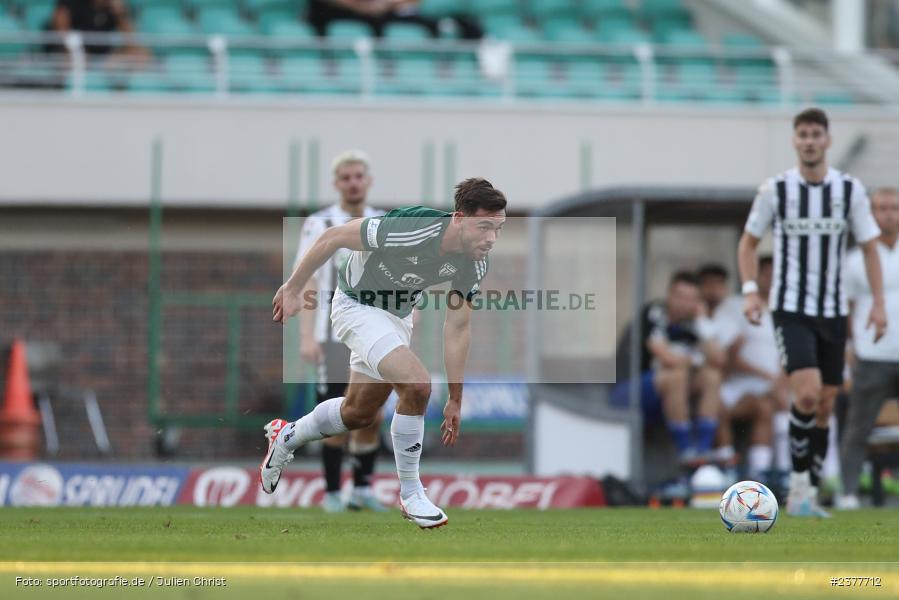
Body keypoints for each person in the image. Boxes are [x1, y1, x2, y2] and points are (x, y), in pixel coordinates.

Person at [264, 177, 507, 529]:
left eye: (498, 229)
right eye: (484, 227)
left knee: (358, 413)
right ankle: (411, 493)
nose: (491, 238)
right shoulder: (412, 228)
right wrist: (293, 287)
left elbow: (457, 328)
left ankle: (286, 437)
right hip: (356, 305)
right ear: (458, 218)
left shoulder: (476, 262)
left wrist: (456, 398)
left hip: (397, 318)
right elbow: (333, 237)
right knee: (417, 385)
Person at [738, 107, 887, 517]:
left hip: (833, 311)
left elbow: (870, 248)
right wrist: (750, 292)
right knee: (805, 394)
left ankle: (808, 490)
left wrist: (878, 303)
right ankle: (799, 489)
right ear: (794, 141)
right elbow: (748, 243)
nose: (809, 141)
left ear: (827, 140)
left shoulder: (849, 190)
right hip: (790, 308)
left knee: (824, 404)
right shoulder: (775, 190)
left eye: (815, 134)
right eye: (802, 134)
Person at [295, 150, 388, 513]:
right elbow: (308, 279)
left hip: (374, 335)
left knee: (371, 413)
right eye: (346, 178)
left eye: (358, 176)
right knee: (335, 413)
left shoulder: (383, 222)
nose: (353, 183)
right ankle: (333, 492)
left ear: (369, 180)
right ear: (336, 184)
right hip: (332, 335)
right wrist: (306, 335)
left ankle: (362, 489)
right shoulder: (319, 223)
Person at [613, 271, 726, 465]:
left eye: (690, 299)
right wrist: (698, 359)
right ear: (669, 295)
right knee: (676, 375)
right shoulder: (654, 313)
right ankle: (685, 451)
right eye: (679, 296)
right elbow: (666, 358)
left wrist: (702, 321)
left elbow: (718, 360)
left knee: (711, 377)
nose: (683, 303)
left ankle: (702, 449)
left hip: (672, 396)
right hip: (629, 392)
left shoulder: (694, 323)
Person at [838, 187, 899, 510]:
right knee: (858, 427)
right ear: (871, 213)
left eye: (894, 208)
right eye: (882, 208)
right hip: (871, 355)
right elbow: (846, 310)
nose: (888, 214)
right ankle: (848, 493)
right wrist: (850, 350)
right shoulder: (854, 259)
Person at [714, 257, 790, 481]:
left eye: (775, 275)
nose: (770, 280)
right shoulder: (734, 305)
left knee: (772, 408)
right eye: (765, 274)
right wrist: (767, 376)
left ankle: (763, 475)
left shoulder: (783, 312)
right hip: (734, 383)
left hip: (769, 387)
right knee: (716, 407)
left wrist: (779, 381)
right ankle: (726, 469)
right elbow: (728, 355)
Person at [48, 0, 146, 60]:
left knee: (141, 55)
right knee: (66, 60)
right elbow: (61, 30)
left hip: (104, 56)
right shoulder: (71, 3)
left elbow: (131, 41)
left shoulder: (115, 5)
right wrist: (77, 52)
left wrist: (120, 14)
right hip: (72, 51)